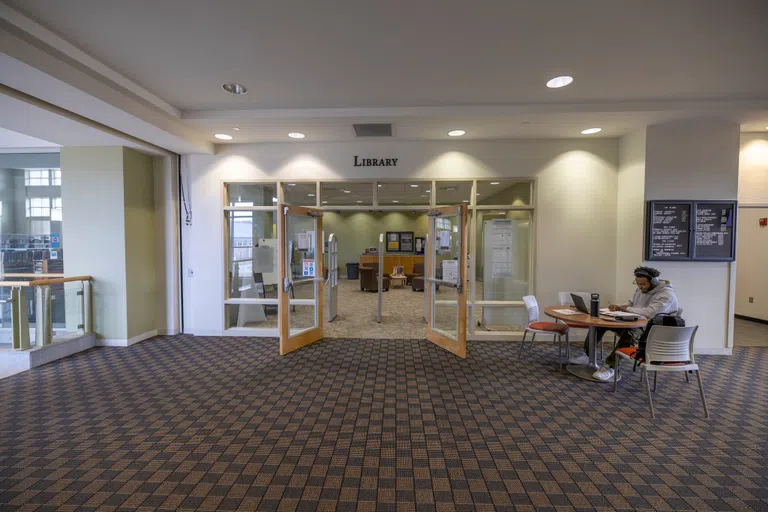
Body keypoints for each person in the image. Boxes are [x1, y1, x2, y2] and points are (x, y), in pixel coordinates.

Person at [572, 266, 679, 381]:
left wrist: (625, 309)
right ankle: (588, 355)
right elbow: (631, 303)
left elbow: (650, 313)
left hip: (654, 330)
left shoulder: (666, 295)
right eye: (638, 284)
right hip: (638, 322)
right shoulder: (640, 289)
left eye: (643, 284)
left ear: (653, 281)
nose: (640, 287)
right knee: (600, 324)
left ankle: (610, 366)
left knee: (630, 333)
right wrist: (619, 307)